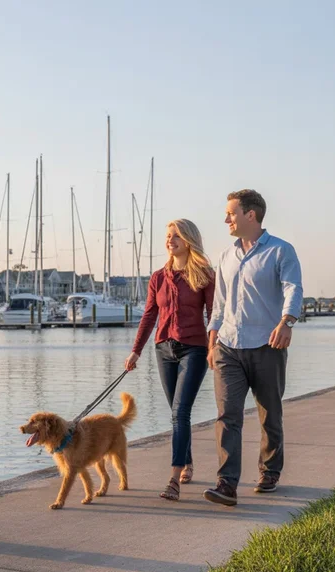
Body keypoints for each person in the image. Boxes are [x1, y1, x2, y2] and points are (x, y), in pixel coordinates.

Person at [202, 189, 303, 507]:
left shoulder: (280, 251)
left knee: (269, 413)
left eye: (231, 213)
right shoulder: (225, 256)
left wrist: (287, 322)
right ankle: (226, 483)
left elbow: (293, 288)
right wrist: (212, 338)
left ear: (251, 215)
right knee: (227, 415)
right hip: (228, 346)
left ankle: (269, 471)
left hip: (267, 345)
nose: (226, 219)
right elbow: (219, 302)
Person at [125, 219, 215, 501]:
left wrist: (214, 346)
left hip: (194, 349)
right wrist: (136, 350)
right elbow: (149, 315)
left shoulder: (205, 274)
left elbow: (213, 314)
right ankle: (187, 462)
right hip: (163, 349)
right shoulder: (158, 277)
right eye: (168, 236)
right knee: (176, 412)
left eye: (176, 236)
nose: (170, 240)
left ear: (188, 240)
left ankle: (174, 479)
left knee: (180, 411)